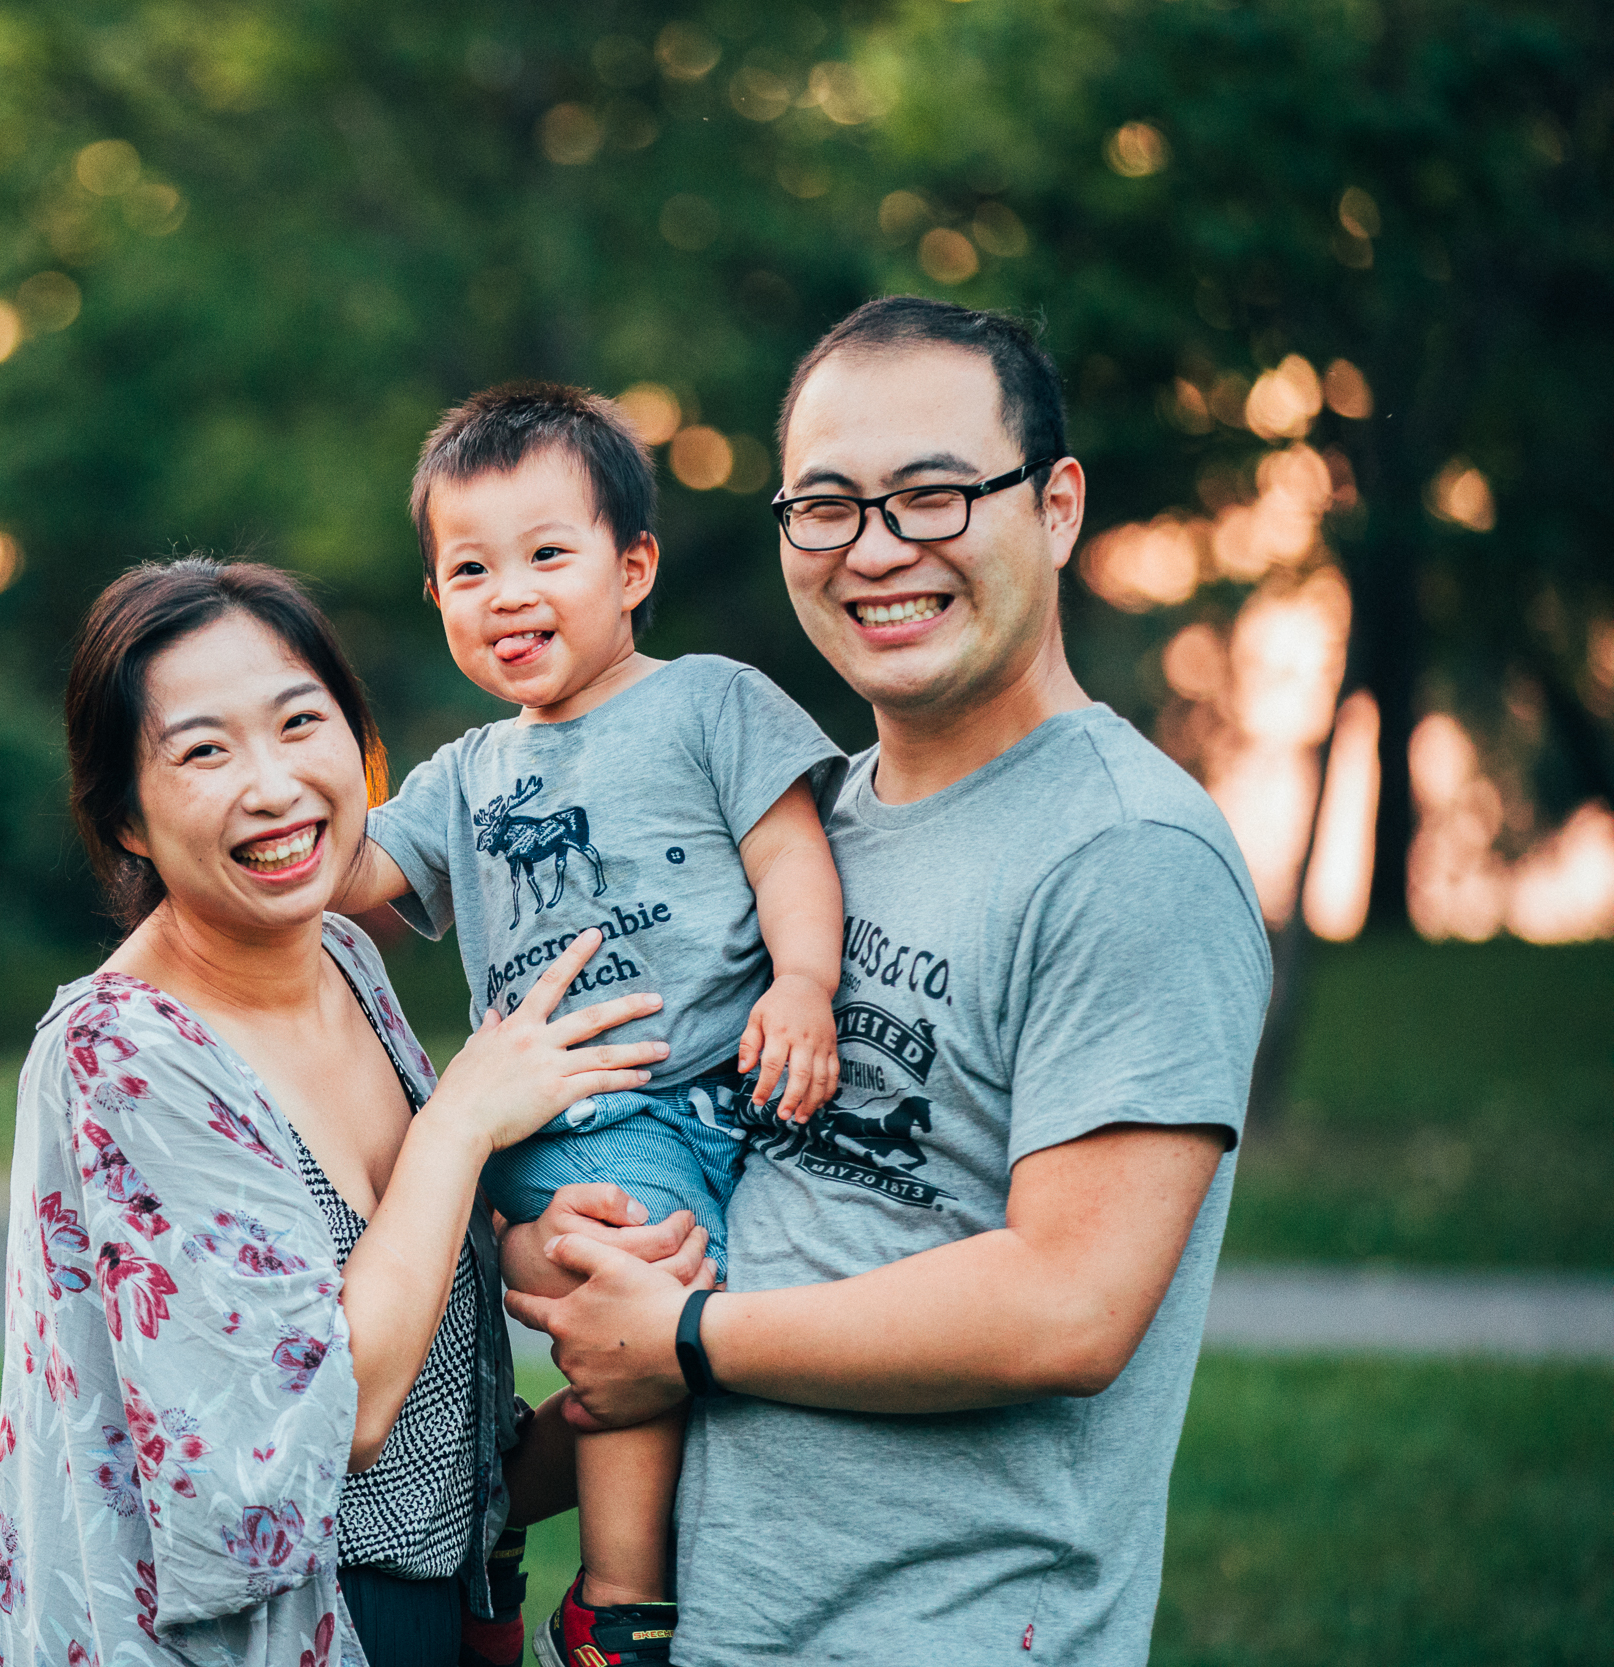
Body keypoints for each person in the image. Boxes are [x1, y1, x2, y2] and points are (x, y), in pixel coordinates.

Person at [509, 297, 1273, 1665]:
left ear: (1055, 506)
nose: (875, 551)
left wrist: (682, 1331)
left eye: (931, 497)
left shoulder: (1126, 852)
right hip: (712, 1624)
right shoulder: (787, 832)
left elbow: (1070, 1304)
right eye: (827, 505)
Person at [0, 557, 704, 1667]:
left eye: (298, 722)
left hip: (434, 1619)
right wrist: (459, 1125)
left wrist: (637, 1347)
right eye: (204, 750)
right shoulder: (121, 1054)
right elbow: (335, 1418)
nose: (272, 785)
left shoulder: (346, 962)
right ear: (124, 817)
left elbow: (431, 1448)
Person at [333, 384, 846, 1667]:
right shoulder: (463, 773)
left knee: (714, 1330)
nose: (506, 593)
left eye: (545, 555)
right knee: (645, 1285)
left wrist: (804, 984)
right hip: (573, 1106)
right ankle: (619, 1607)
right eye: (468, 568)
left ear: (633, 567)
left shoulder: (709, 703)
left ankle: (497, 1504)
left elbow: (790, 856)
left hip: (725, 1100)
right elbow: (344, 880)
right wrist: (292, 758)